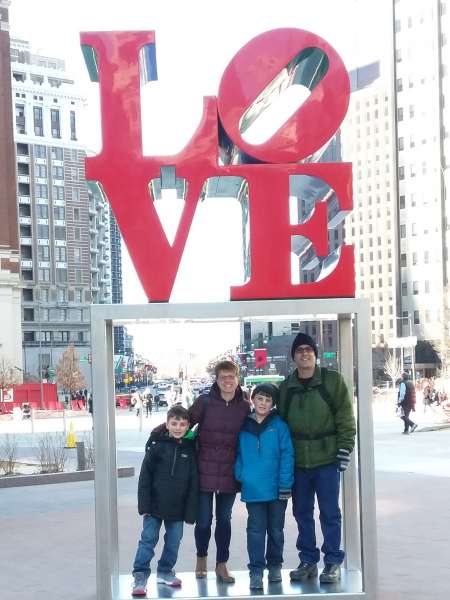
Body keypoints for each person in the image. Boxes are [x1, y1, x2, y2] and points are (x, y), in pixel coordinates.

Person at [277, 333, 356, 584]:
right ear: (293, 357)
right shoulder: (286, 387)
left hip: (327, 460)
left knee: (330, 512)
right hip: (298, 462)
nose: (304, 353)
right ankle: (308, 560)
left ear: (315, 354)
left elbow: (345, 417)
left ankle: (332, 561)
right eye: (299, 350)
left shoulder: (332, 382)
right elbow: (278, 425)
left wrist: (344, 449)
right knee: (301, 512)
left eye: (308, 350)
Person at [188, 359, 250, 583]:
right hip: (203, 470)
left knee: (224, 521)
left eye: (231, 377)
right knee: (203, 520)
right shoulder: (204, 402)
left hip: (229, 472)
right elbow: (184, 422)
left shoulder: (244, 406)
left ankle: (222, 564)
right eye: (223, 377)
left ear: (237, 379)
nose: (227, 381)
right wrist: (160, 432)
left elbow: (253, 432)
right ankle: (201, 558)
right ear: (216, 379)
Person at [131, 405, 198, 596]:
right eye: (174, 423)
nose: (178, 427)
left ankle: (165, 571)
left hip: (177, 508)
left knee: (174, 541)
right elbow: (145, 477)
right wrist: (143, 505)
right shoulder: (157, 446)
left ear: (187, 427)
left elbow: (194, 483)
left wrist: (190, 511)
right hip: (153, 506)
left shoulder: (190, 450)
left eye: (182, 424)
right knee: (148, 540)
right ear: (167, 424)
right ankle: (140, 575)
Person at [235, 383, 294, 590]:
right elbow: (238, 454)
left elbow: (287, 455)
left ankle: (275, 565)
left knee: (276, 530)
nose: (263, 403)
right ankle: (256, 570)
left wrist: (285, 484)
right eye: (259, 398)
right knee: (255, 531)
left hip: (277, 488)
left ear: (273, 404)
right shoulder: (244, 426)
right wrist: (241, 473)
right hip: (253, 487)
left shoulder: (279, 426)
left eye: (268, 400)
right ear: (253, 400)